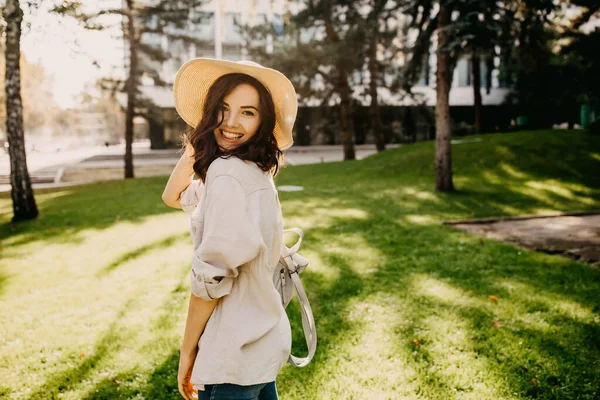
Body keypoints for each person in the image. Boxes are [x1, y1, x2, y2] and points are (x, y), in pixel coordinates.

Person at [161, 58, 298, 400]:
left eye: (248, 112)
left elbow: (211, 280)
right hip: (259, 345)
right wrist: (200, 137)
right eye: (223, 109)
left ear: (263, 120)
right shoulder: (252, 170)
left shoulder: (227, 175)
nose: (232, 123)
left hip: (232, 354)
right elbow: (172, 196)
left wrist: (187, 352)